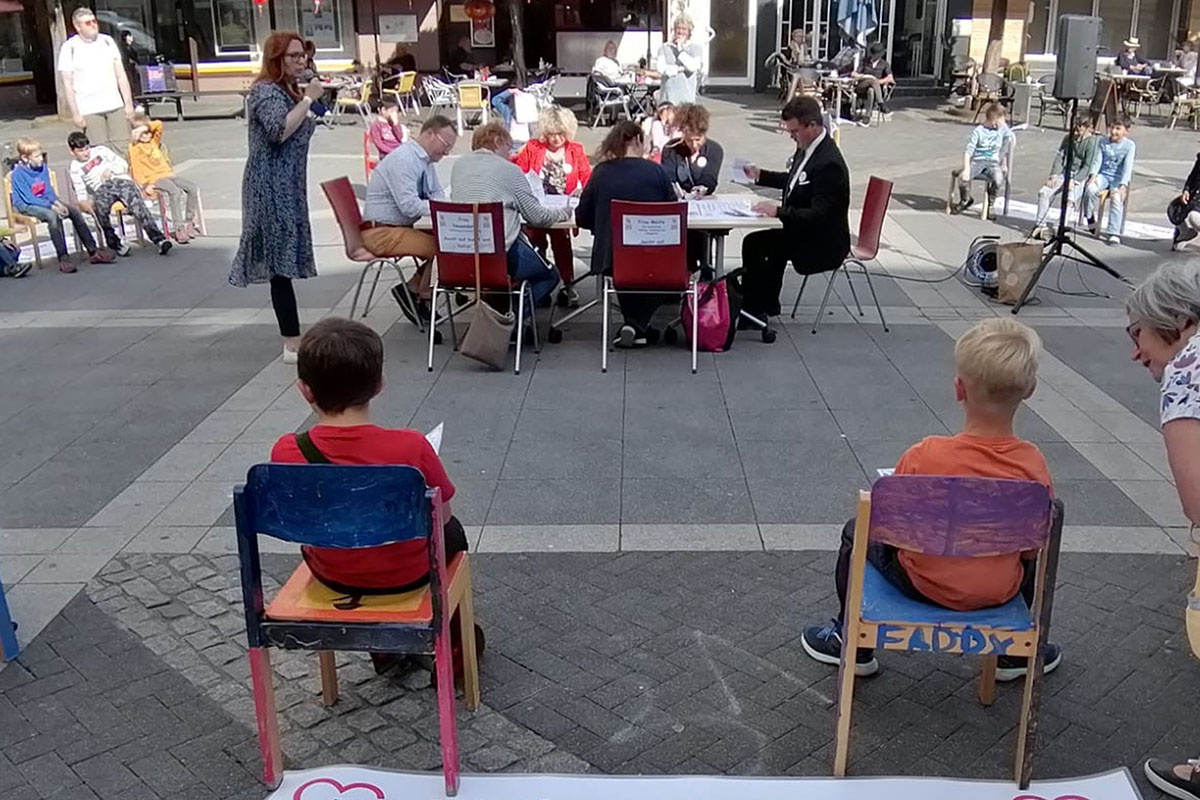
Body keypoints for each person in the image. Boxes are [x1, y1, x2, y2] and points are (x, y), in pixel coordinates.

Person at [800, 317, 1062, 680]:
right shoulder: (1033, 466)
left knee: (855, 531)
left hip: (923, 585)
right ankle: (1013, 654)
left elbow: (890, 530)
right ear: (1030, 389)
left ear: (959, 389)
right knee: (1032, 542)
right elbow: (1032, 552)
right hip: (998, 592)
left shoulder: (926, 455)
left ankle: (852, 643)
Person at [269, 316, 475, 676]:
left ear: (305, 390)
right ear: (379, 383)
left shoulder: (287, 451)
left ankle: (383, 650)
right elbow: (441, 517)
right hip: (409, 573)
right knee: (454, 534)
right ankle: (454, 651)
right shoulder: (410, 446)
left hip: (331, 572)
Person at [1127, 262, 1200, 800]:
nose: (1136, 352)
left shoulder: (1188, 370)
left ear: (1176, 321)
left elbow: (1198, 499)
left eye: (1139, 334)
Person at [228, 31, 324, 364]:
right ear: (276, 59)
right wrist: (308, 100)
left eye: (304, 56)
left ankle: (293, 338)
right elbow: (278, 130)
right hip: (268, 187)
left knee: (283, 259)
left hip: (287, 185)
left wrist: (311, 96)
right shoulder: (265, 92)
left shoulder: (288, 90)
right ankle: (291, 342)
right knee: (278, 265)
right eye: (294, 56)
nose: (302, 61)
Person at [740, 96, 850, 323]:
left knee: (757, 244)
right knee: (758, 243)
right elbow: (793, 180)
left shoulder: (829, 164)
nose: (792, 136)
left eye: (794, 131)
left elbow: (820, 215)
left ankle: (755, 308)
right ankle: (761, 304)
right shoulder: (807, 147)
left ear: (812, 126)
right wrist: (761, 175)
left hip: (821, 240)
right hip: (802, 229)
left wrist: (778, 212)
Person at [577, 121, 677, 347]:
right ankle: (638, 326)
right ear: (639, 140)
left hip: (612, 258)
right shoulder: (657, 172)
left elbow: (582, 217)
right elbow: (673, 215)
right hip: (655, 255)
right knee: (680, 268)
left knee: (626, 267)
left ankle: (635, 327)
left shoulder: (601, 172)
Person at [449, 122, 570, 309]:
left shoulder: (459, 165)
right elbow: (537, 217)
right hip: (500, 256)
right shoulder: (510, 170)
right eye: (508, 147)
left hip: (459, 257)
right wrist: (564, 212)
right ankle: (514, 319)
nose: (510, 154)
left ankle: (499, 310)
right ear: (498, 141)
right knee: (550, 276)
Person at [362, 115, 458, 326]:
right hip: (381, 232)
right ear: (429, 134)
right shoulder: (405, 160)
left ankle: (415, 288)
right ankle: (421, 295)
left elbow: (437, 193)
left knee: (453, 240)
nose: (446, 152)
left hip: (398, 227)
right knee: (445, 248)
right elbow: (409, 206)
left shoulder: (425, 161)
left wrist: (443, 205)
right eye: (445, 145)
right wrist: (445, 208)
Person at [512, 106, 592, 307]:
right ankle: (539, 284)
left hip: (562, 209)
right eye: (551, 134)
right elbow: (517, 173)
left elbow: (588, 178)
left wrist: (583, 190)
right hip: (536, 207)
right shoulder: (532, 148)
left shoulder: (576, 150)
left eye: (560, 134)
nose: (556, 139)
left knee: (562, 246)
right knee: (536, 244)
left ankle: (568, 284)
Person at [10, 136, 115, 272]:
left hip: (45, 201)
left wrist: (57, 202)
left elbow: (48, 190)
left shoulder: (42, 168)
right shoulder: (18, 173)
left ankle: (93, 251)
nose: (40, 159)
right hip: (27, 204)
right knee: (52, 216)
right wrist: (51, 207)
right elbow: (29, 198)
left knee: (74, 212)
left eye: (41, 155)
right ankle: (63, 258)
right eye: (36, 157)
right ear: (25, 158)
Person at [67, 131, 172, 258]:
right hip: (101, 188)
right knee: (100, 210)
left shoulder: (101, 150)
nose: (86, 153)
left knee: (137, 206)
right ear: (72, 152)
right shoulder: (75, 167)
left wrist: (111, 170)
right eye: (81, 151)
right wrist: (83, 202)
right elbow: (80, 189)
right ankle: (115, 243)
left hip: (118, 179)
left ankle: (159, 239)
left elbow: (123, 164)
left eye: (87, 149)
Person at [58, 7, 135, 151]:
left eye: (94, 21)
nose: (93, 25)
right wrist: (75, 114)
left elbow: (121, 75)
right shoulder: (69, 47)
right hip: (89, 108)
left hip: (115, 104)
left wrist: (128, 104)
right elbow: (67, 84)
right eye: (88, 23)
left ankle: (122, 174)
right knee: (100, 150)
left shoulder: (107, 41)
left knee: (123, 146)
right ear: (77, 27)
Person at [660, 103, 722, 273]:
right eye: (689, 139)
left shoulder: (714, 150)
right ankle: (683, 273)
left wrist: (702, 188)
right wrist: (676, 190)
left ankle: (702, 272)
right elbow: (669, 176)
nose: (694, 144)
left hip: (703, 207)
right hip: (679, 206)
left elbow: (710, 177)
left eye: (698, 139)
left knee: (700, 232)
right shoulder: (671, 150)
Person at [128, 115, 202, 243]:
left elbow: (159, 125)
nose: (146, 136)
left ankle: (189, 222)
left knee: (192, 188)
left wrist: (146, 127)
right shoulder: (134, 147)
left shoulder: (153, 142)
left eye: (148, 133)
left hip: (168, 174)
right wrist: (145, 185)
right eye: (142, 134)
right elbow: (136, 168)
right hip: (154, 178)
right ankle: (179, 228)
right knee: (175, 192)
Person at [1032, 117, 1100, 240]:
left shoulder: (1092, 142)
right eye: (1076, 127)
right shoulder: (1068, 138)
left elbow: (1087, 166)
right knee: (1043, 193)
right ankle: (1040, 225)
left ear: (1088, 128)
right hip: (1064, 173)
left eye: (1080, 128)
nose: (1077, 132)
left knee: (1070, 199)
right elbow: (1060, 157)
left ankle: (1060, 227)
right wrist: (1054, 175)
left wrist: (1075, 180)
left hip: (1079, 176)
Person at [949, 102, 1015, 219]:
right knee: (962, 178)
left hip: (993, 161)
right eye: (1001, 120)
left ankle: (991, 204)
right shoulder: (979, 131)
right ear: (994, 119)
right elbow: (968, 151)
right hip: (978, 160)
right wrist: (967, 169)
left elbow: (1009, 139)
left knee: (998, 178)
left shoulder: (1002, 129)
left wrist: (1003, 161)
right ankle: (965, 199)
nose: (1003, 123)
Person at [1083, 115, 1136, 246]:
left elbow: (1127, 167)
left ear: (1126, 131)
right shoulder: (1103, 142)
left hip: (1117, 179)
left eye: (1118, 129)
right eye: (1112, 128)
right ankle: (1089, 217)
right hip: (1104, 175)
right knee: (1090, 189)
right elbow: (1097, 160)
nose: (1114, 132)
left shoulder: (1129, 146)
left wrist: (1123, 184)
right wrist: (1093, 175)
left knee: (1116, 198)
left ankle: (1113, 232)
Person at [655, 15, 703, 104]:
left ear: (689, 31)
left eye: (684, 29)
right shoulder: (664, 47)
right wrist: (680, 69)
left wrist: (680, 50)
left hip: (687, 98)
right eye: (678, 28)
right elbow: (661, 69)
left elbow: (692, 66)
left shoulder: (696, 48)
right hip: (667, 98)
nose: (680, 31)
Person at [852, 42, 895, 123]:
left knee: (871, 90)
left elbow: (890, 78)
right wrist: (867, 77)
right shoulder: (865, 61)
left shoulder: (884, 64)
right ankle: (881, 104)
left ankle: (867, 117)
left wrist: (877, 82)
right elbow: (854, 74)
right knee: (871, 80)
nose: (873, 56)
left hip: (875, 90)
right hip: (862, 86)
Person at [1172, 153, 1200, 251]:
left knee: (1194, 217)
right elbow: (1192, 176)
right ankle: (1184, 233)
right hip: (1195, 197)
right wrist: (1186, 190)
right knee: (1174, 209)